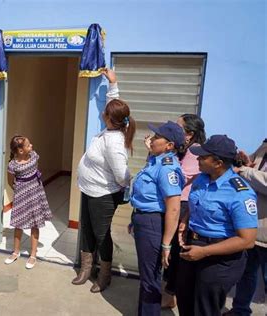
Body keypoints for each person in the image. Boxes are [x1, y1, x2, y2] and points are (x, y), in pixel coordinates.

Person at [176, 135, 258, 316]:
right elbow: (195, 202)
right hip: (193, 246)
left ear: (218, 163)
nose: (198, 159)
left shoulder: (240, 193)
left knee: (205, 309)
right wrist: (185, 220)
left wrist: (204, 252)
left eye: (203, 157)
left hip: (219, 257)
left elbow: (247, 240)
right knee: (184, 300)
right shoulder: (202, 178)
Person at [72, 69, 136, 292]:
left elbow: (122, 175)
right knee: (88, 230)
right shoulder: (111, 128)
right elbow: (113, 104)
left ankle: (105, 274)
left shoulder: (115, 142)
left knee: (101, 234)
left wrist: (125, 184)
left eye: (105, 113)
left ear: (111, 119)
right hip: (89, 190)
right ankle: (86, 269)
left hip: (103, 195)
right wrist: (113, 83)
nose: (102, 113)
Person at [130, 121, 185, 315]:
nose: (151, 140)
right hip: (144, 220)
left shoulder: (168, 168)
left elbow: (173, 208)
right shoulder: (157, 160)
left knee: (150, 280)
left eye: (156, 138)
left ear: (169, 145)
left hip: (153, 223)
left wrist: (166, 244)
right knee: (146, 276)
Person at [162, 114, 206, 308]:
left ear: (189, 134)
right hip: (176, 202)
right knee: (170, 250)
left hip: (183, 205)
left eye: (179, 127)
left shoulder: (195, 151)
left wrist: (163, 155)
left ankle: (171, 294)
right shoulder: (185, 149)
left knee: (176, 249)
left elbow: (180, 177)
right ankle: (169, 291)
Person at [223, 138, 267, 316]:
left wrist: (244, 170)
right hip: (252, 226)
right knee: (246, 273)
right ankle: (240, 310)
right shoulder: (264, 146)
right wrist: (248, 163)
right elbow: (256, 170)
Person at [4, 136, 52, 269]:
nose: (31, 146)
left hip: (36, 193)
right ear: (20, 150)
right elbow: (10, 181)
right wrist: (20, 191)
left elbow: (34, 168)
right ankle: (15, 252)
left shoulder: (34, 156)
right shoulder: (12, 165)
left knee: (35, 223)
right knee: (18, 224)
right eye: (28, 145)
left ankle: (33, 254)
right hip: (21, 195)